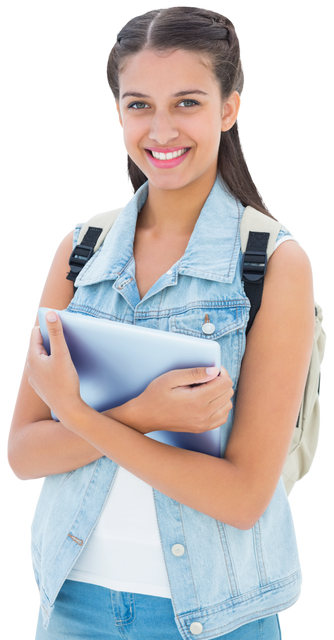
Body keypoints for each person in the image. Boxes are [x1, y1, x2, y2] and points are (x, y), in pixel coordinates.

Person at [6, 5, 315, 639]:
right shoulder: (81, 249)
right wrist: (143, 414)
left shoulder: (272, 263)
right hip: (72, 607)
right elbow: (22, 454)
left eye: (187, 103)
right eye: (140, 104)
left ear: (230, 108)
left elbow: (241, 497)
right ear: (117, 110)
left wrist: (85, 416)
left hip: (221, 616)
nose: (162, 129)